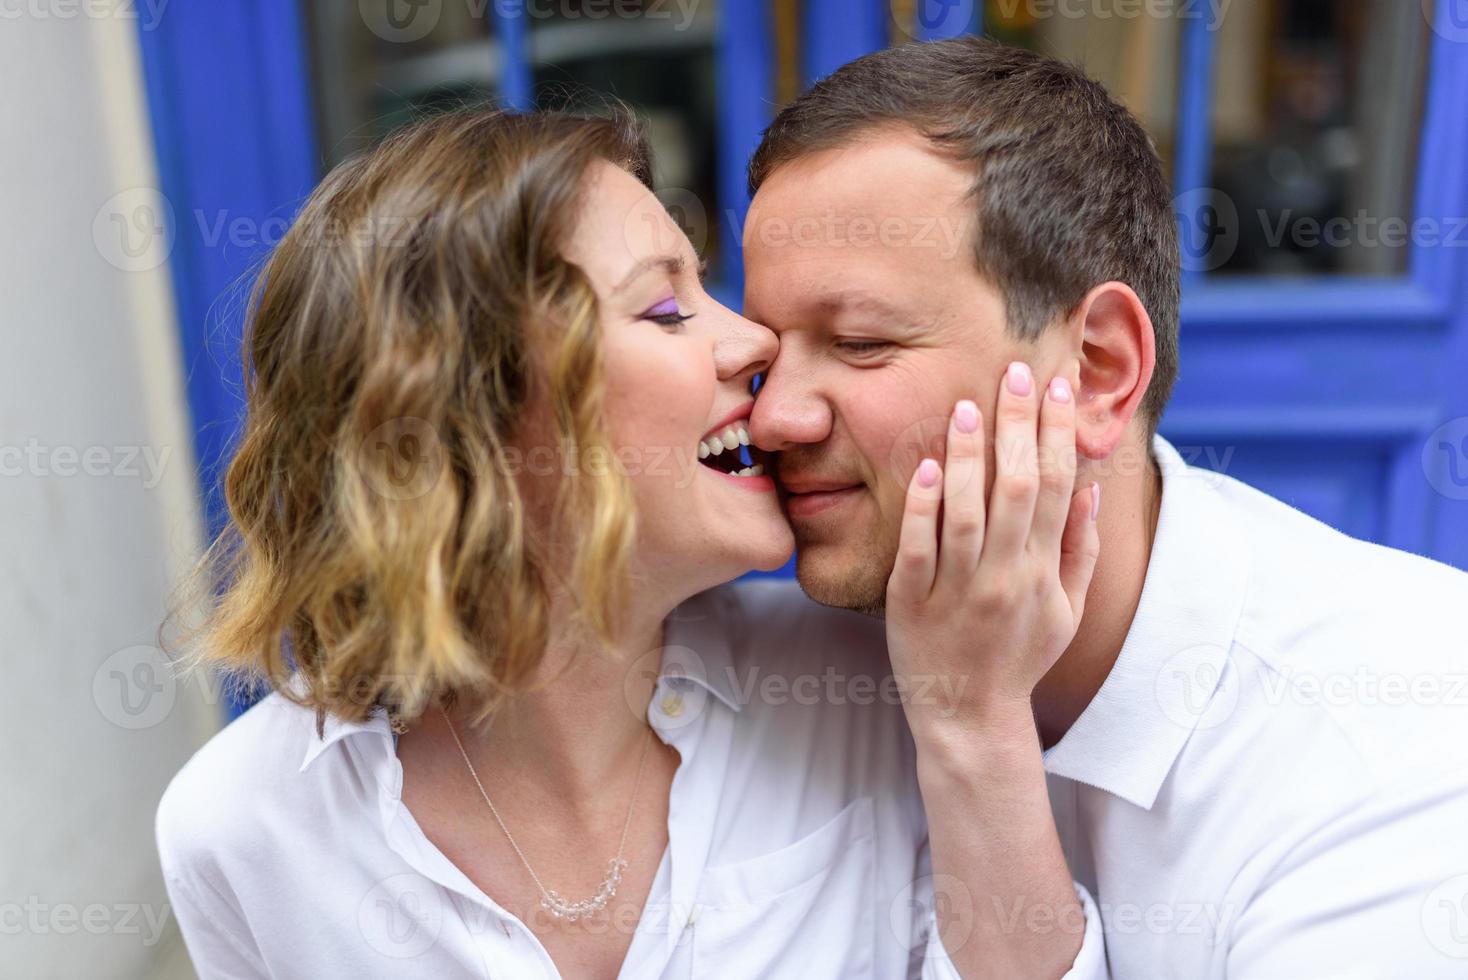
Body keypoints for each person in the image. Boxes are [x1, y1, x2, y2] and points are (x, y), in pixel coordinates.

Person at [154, 107, 1108, 978]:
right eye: (664, 309)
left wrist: (974, 724)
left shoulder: (873, 689)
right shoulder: (242, 833)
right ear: (469, 415)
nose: (756, 346)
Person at [743, 36, 1468, 978]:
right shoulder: (770, 669)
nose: (772, 415)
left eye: (860, 341)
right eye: (761, 351)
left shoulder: (1396, 741)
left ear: (1098, 370)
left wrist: (970, 730)